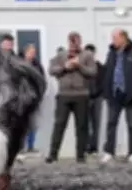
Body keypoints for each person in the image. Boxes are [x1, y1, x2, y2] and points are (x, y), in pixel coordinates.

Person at [100, 28, 132, 164]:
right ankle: (109, 152)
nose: (113, 41)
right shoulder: (111, 52)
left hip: (130, 95)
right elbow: (108, 70)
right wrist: (106, 89)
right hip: (114, 93)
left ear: (123, 38)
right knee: (111, 123)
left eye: (115, 38)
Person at [46, 32, 97, 163]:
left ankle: (80, 155)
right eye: (71, 42)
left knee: (81, 126)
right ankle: (53, 154)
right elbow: (51, 70)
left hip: (81, 95)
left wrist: (79, 66)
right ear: (68, 42)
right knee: (59, 124)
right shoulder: (61, 55)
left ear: (80, 41)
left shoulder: (87, 55)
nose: (74, 45)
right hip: (64, 95)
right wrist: (65, 67)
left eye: (76, 42)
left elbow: (93, 72)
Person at [84, 43, 105, 155]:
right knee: (85, 123)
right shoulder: (82, 68)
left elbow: (104, 82)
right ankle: (86, 146)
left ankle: (94, 147)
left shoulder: (100, 67)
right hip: (85, 97)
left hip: (97, 97)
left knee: (96, 123)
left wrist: (99, 93)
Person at [22, 43, 44, 152]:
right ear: (26, 53)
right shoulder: (19, 63)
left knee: (33, 123)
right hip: (21, 98)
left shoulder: (37, 65)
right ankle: (21, 146)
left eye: (34, 53)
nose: (33, 54)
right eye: (31, 52)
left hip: (34, 98)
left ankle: (31, 146)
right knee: (21, 123)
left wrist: (40, 93)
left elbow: (42, 80)